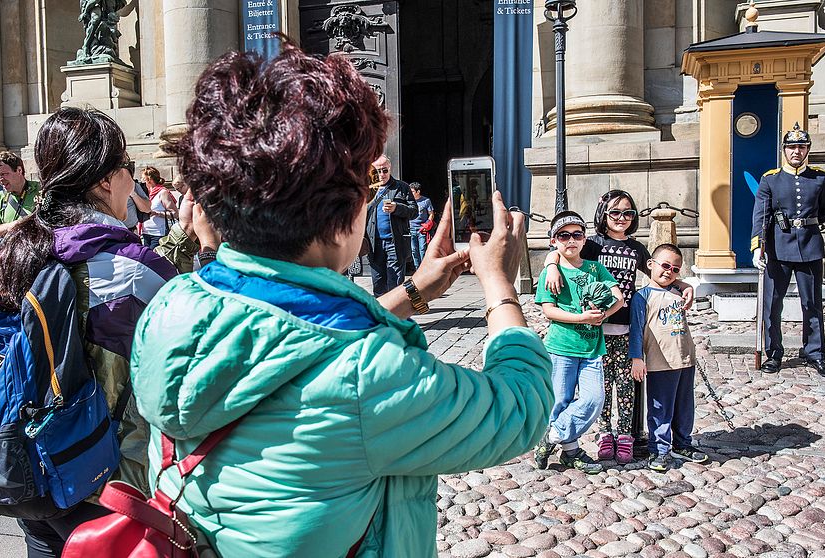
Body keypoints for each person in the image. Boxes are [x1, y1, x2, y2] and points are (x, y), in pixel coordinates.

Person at [131, 46, 554, 557]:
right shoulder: (369, 376)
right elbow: (519, 409)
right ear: (342, 217)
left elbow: (292, 335)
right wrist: (499, 285)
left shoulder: (174, 302)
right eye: (363, 188)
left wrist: (417, 288)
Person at [0, 106, 198, 557]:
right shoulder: (133, 268)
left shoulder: (21, 254)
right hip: (106, 484)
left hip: (30, 470)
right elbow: (196, 351)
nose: (130, 181)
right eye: (126, 169)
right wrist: (206, 247)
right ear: (103, 181)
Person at [542, 190, 695, 463]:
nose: (621, 218)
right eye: (615, 212)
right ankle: (604, 435)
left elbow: (658, 271)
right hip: (595, 330)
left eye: (627, 213)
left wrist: (681, 284)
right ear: (604, 214)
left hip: (624, 326)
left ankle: (626, 435)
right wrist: (551, 265)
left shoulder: (636, 248)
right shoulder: (593, 244)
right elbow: (566, 249)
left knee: (626, 386)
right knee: (600, 387)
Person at [533, 211, 624, 473]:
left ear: (584, 240)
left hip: (592, 349)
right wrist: (581, 316)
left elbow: (618, 296)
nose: (571, 240)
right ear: (554, 241)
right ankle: (570, 452)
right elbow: (549, 310)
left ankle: (551, 437)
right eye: (564, 235)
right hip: (561, 347)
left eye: (577, 235)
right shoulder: (550, 273)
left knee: (594, 400)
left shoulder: (596, 268)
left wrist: (603, 316)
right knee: (559, 400)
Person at [751, 123, 825, 378]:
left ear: (808, 149)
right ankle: (774, 353)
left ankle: (815, 353)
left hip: (809, 247)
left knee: (811, 304)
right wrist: (758, 247)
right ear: (784, 151)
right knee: (772, 305)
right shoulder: (771, 179)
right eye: (792, 147)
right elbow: (761, 216)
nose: (796, 151)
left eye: (801, 147)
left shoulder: (820, 178)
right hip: (778, 249)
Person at [629, 244, 709, 472]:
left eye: (675, 269)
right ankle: (660, 449)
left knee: (684, 407)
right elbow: (636, 329)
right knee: (660, 408)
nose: (668, 272)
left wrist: (682, 285)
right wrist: (637, 357)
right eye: (665, 266)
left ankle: (683, 443)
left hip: (684, 360)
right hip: (659, 362)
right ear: (651, 265)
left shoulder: (678, 292)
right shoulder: (642, 297)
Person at [365, 154, 416, 295]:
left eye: (385, 170)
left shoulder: (402, 187)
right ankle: (381, 311)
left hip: (396, 242)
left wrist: (397, 208)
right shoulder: (367, 190)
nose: (382, 174)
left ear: (390, 168)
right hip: (374, 244)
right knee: (378, 281)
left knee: (395, 281)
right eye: (378, 171)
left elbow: (414, 211)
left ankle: (396, 311)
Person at [0, 151, 41, 241]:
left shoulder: (40, 191)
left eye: (4, 174)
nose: (0, 179)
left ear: (19, 170)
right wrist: (9, 226)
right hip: (11, 252)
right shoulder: (0, 197)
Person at [139, 166, 178, 249]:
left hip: (158, 234)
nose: (141, 181)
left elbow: (175, 214)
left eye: (143, 179)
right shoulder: (144, 193)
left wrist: (156, 213)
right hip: (145, 233)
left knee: (154, 259)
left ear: (149, 179)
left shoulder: (162, 192)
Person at [408, 182, 434, 270]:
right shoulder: (409, 201)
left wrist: (427, 224)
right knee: (414, 250)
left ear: (418, 191)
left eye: (412, 191)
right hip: (411, 228)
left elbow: (431, 214)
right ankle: (417, 268)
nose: (410, 193)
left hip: (421, 228)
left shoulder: (426, 201)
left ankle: (424, 268)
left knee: (422, 249)